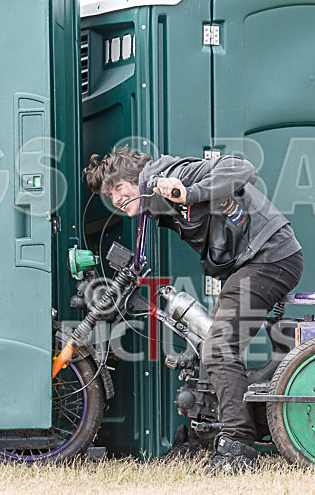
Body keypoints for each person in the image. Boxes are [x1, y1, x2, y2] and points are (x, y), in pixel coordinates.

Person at [83, 146, 303, 473]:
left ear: (135, 179)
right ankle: (199, 438)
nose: (115, 199)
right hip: (253, 262)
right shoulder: (153, 207)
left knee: (218, 347)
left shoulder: (176, 176)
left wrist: (190, 192)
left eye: (118, 188)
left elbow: (241, 167)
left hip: (270, 257)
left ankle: (238, 449)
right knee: (204, 341)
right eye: (109, 194)